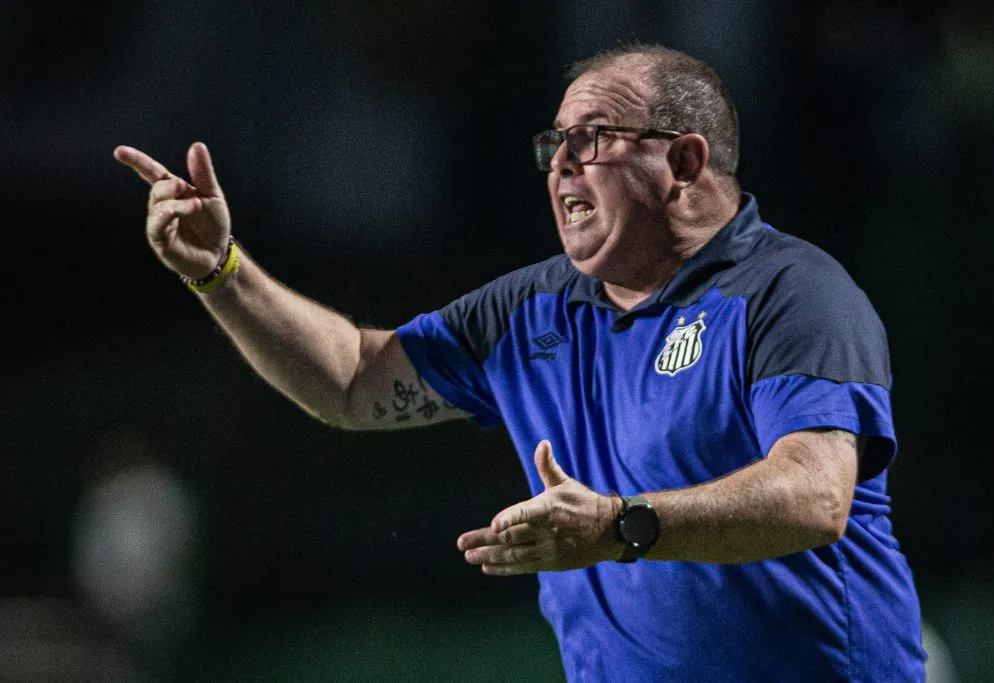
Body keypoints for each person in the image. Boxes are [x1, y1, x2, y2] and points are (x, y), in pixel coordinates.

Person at [115, 43, 926, 681]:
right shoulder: (530, 311)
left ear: (683, 162)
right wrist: (222, 273)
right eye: (555, 143)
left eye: (593, 138)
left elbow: (817, 494)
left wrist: (618, 525)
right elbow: (355, 380)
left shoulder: (792, 291)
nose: (562, 163)